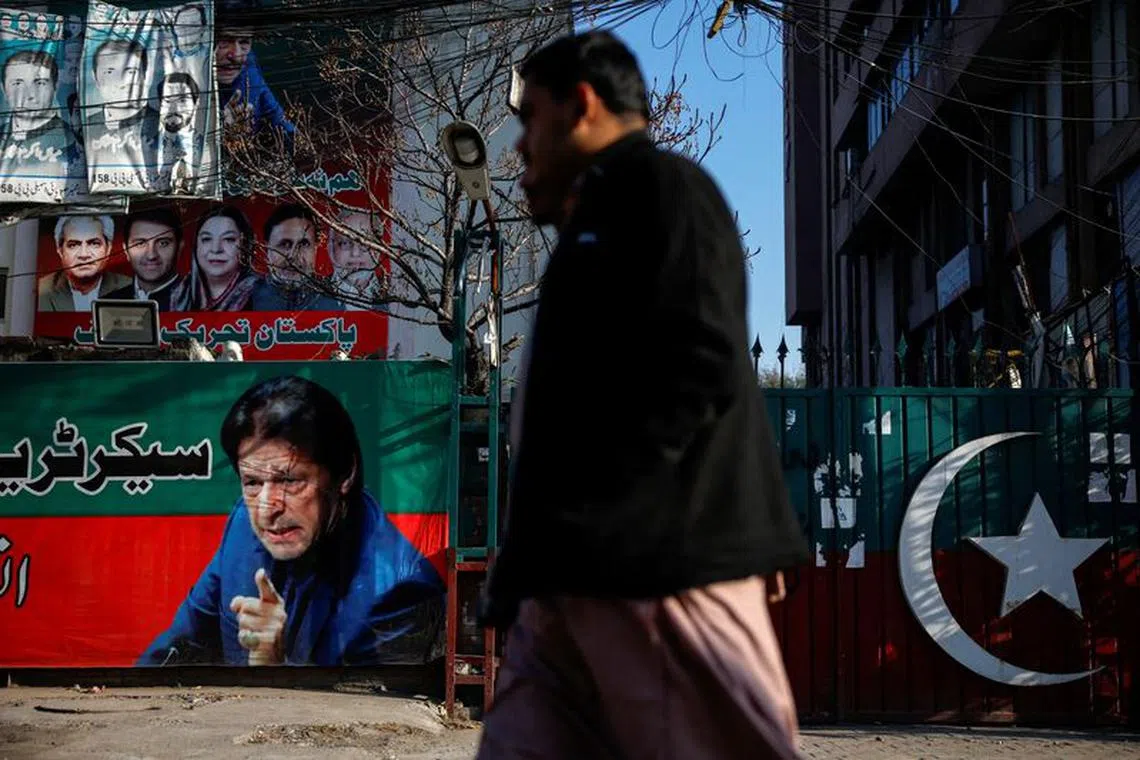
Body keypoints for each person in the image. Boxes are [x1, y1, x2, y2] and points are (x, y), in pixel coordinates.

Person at [475, 30, 808, 760]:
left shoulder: (663, 191)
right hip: (567, 589)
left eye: (529, 118)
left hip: (654, 573)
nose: (520, 147)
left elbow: (698, 363)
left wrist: (601, 520)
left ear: (582, 106)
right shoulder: (593, 222)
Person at [138, 375, 445, 667]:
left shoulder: (397, 591)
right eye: (253, 482)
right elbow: (172, 647)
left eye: (289, 480)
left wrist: (272, 667)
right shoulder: (243, 525)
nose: (266, 509)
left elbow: (367, 712)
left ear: (345, 474)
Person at [250, 204, 341, 311]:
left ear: (315, 249)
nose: (293, 255)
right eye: (284, 244)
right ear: (266, 249)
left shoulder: (335, 302)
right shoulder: (246, 299)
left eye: (303, 244)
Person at [170, 205, 260, 311]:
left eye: (228, 239)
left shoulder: (264, 294)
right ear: (196, 246)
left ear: (245, 245)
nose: (216, 249)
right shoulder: (179, 294)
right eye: (206, 239)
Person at [37, 214, 130, 311]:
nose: (84, 254)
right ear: (60, 251)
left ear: (108, 248)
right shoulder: (40, 290)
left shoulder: (129, 287)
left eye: (94, 243)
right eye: (73, 245)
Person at [105, 207, 189, 310]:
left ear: (179, 248)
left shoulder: (201, 303)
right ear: (125, 250)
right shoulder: (108, 303)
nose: (151, 255)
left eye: (163, 243)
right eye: (140, 243)